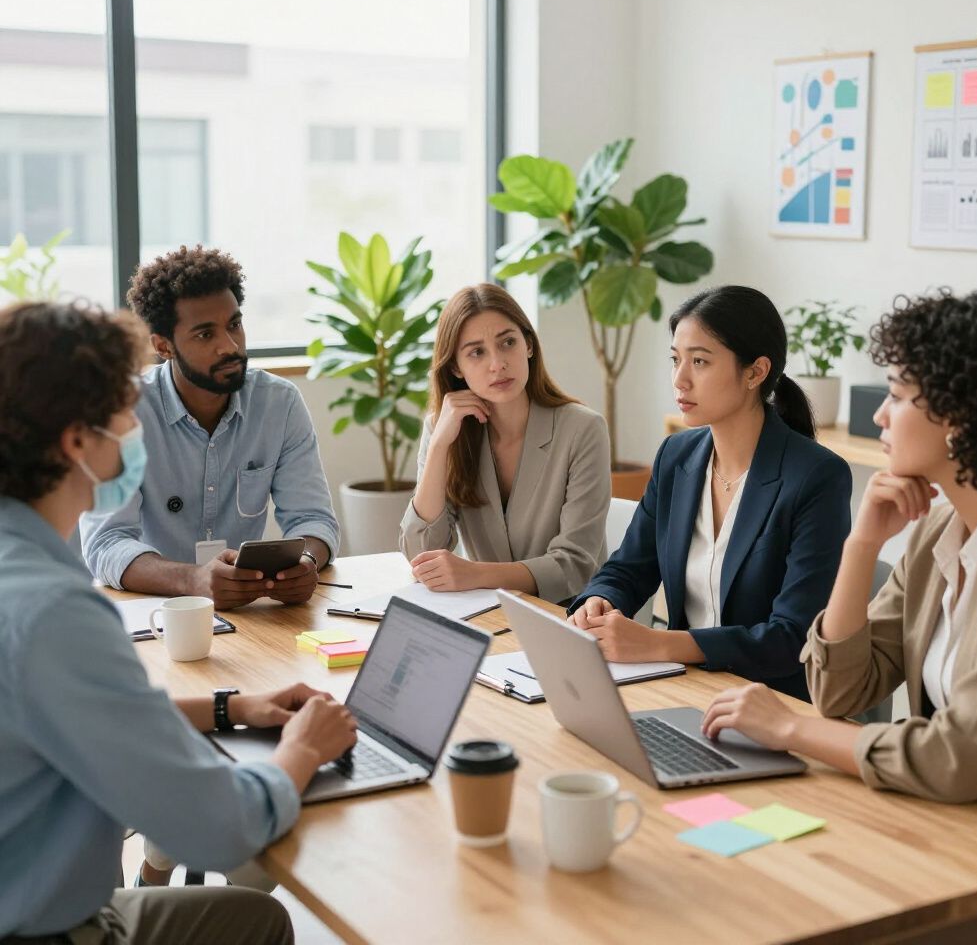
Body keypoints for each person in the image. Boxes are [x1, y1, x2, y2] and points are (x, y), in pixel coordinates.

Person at [0, 301, 358, 944]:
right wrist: (304, 750)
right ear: (78, 441)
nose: (135, 424)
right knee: (258, 915)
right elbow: (221, 829)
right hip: (47, 930)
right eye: (121, 409)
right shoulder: (57, 612)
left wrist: (233, 707)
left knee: (252, 918)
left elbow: (90, 714)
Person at [701, 289, 977, 810]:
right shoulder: (938, 533)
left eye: (896, 395)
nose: (879, 417)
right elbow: (840, 693)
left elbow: (957, 757)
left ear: (960, 413)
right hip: (953, 825)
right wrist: (862, 544)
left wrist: (790, 727)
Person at [568, 285, 852, 701]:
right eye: (675, 359)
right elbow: (628, 569)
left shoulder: (817, 477)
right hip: (685, 688)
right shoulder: (677, 456)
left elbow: (792, 637)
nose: (680, 379)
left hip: (772, 705)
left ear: (755, 372)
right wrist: (599, 601)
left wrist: (660, 644)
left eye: (699, 361)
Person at [80, 245, 340, 611]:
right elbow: (106, 544)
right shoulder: (122, 412)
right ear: (163, 346)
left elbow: (313, 520)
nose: (230, 346)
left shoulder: (279, 404)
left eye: (234, 324)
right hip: (154, 613)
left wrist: (307, 563)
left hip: (250, 615)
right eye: (205, 335)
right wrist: (192, 580)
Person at [399, 283, 610, 604]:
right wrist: (440, 445)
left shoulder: (582, 428)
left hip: (570, 614)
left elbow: (576, 564)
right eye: (476, 352)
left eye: (507, 342)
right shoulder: (443, 429)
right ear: (455, 366)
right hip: (488, 612)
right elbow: (422, 555)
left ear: (528, 345)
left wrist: (476, 574)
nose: (497, 363)